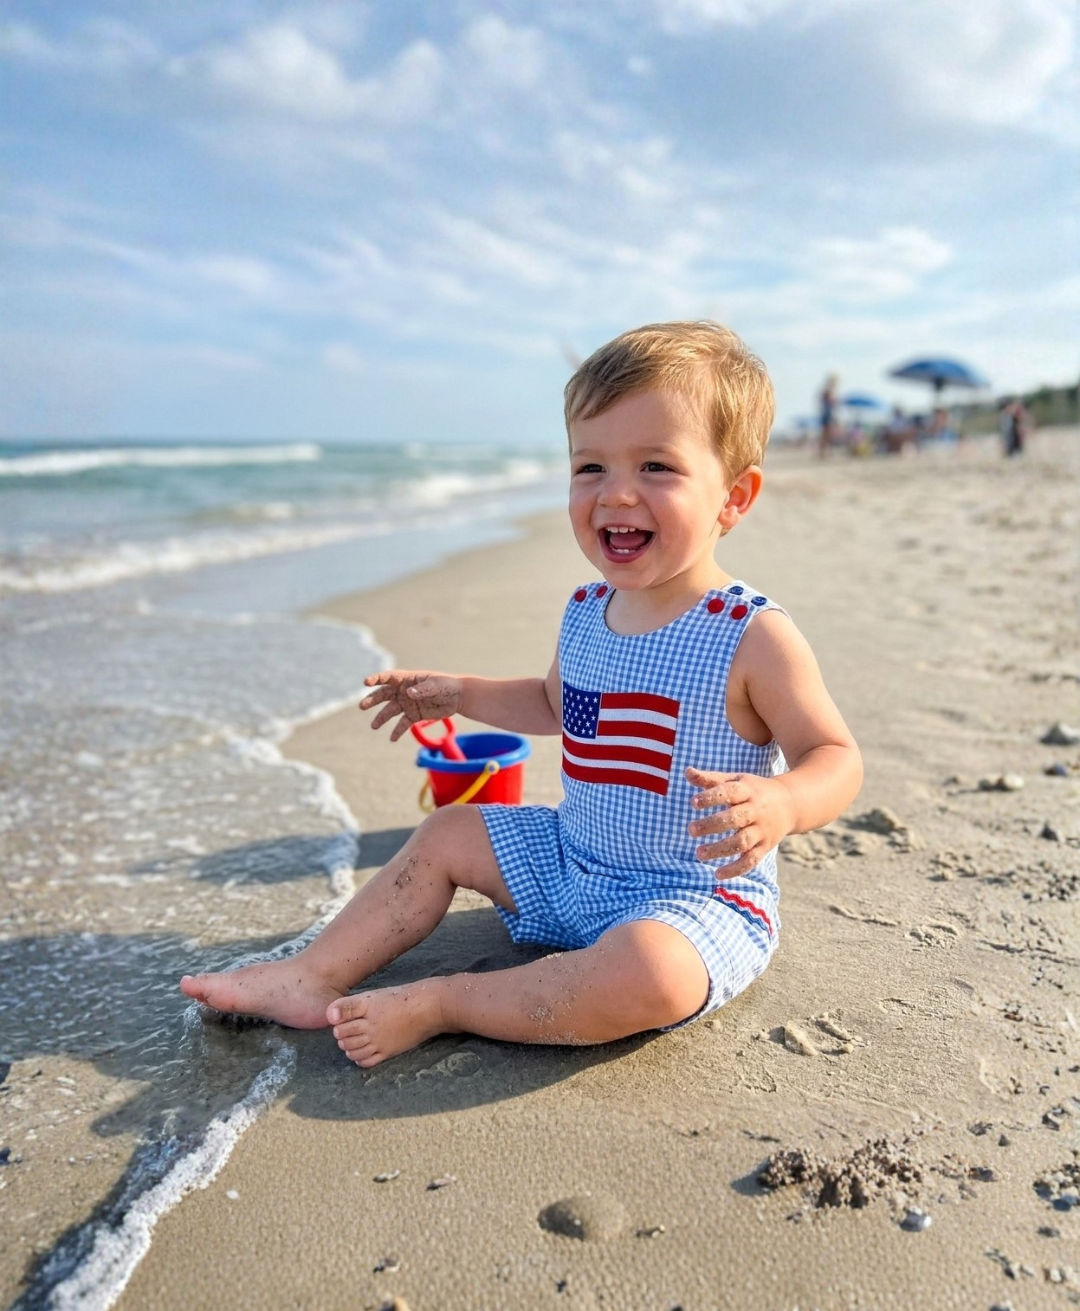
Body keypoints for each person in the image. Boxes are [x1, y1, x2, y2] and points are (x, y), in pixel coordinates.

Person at [181, 321, 863, 1068]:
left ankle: (447, 1002)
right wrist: (460, 692)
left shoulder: (749, 634)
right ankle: (313, 975)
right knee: (449, 833)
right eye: (590, 467)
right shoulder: (585, 611)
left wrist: (785, 804)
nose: (617, 493)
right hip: (573, 862)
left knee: (653, 975)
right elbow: (553, 706)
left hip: (689, 897)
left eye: (658, 467)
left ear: (734, 498)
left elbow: (835, 755)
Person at [818, 374, 839, 457]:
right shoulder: (828, 391)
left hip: (827, 415)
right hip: (827, 415)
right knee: (826, 435)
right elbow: (830, 402)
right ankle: (823, 452)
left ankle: (825, 452)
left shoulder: (828, 391)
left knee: (827, 435)